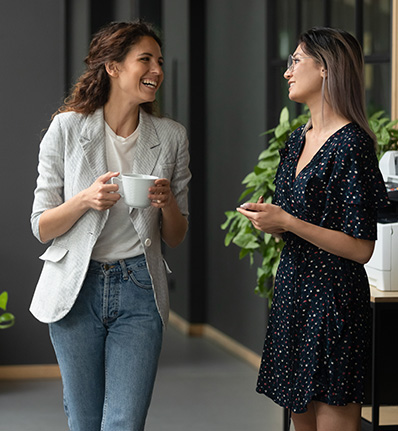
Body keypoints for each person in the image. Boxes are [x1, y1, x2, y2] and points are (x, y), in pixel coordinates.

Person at [30, 20, 191, 431]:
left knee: (124, 422)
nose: (156, 69)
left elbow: (175, 234)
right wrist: (85, 200)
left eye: (158, 60)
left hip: (139, 288)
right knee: (84, 421)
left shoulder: (171, 137)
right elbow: (42, 226)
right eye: (145, 60)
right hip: (76, 288)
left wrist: (168, 201)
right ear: (113, 67)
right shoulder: (66, 128)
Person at [237, 27, 388, 431]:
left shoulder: (352, 144)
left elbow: (361, 249)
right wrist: (274, 222)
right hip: (293, 294)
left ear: (325, 69)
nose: (287, 72)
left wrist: (288, 222)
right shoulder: (295, 140)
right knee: (298, 423)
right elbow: (297, 224)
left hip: (335, 303)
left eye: (296, 61)